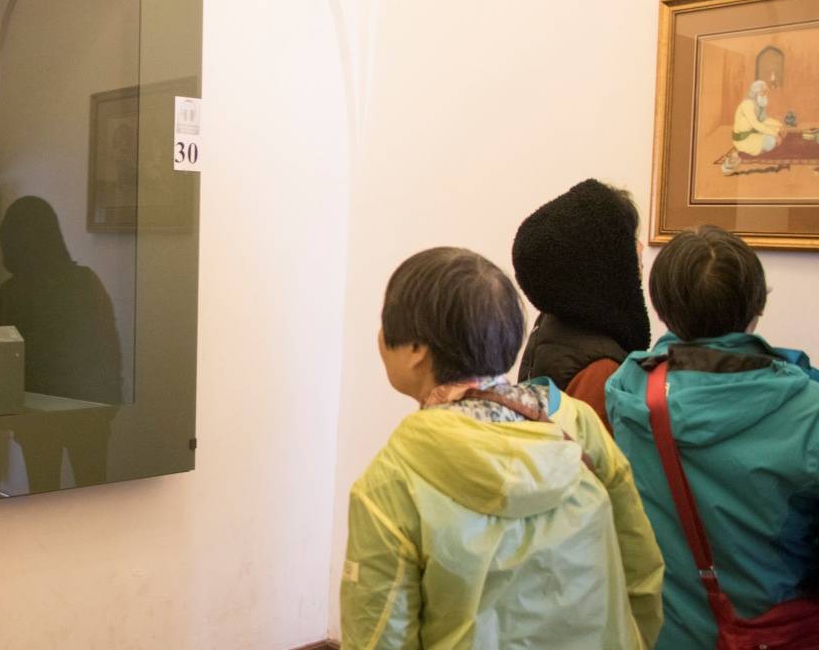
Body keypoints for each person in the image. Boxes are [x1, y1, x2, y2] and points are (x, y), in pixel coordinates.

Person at [340, 247, 663, 650]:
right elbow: (642, 574)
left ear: (417, 349)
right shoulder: (578, 426)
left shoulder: (390, 483)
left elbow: (378, 635)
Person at [606, 225, 819, 650]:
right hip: (774, 633)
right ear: (758, 304)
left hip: (661, 635)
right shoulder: (808, 411)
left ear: (660, 308)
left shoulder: (627, 390)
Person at [0, 196, 122, 490]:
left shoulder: (11, 293)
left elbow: (6, 361)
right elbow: (109, 345)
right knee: (94, 492)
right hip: (87, 405)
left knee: (43, 493)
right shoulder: (85, 281)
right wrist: (110, 401)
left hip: (36, 411)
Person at [512, 179, 649, 428]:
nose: (638, 256)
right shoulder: (601, 369)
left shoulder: (554, 320)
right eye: (629, 244)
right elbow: (596, 452)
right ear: (604, 259)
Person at [733, 79, 784, 156]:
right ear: (756, 92)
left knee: (777, 128)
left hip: (753, 132)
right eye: (763, 92)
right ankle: (752, 152)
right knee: (771, 141)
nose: (765, 95)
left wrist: (780, 125)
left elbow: (764, 120)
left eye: (765, 92)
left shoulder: (759, 104)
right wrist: (775, 135)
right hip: (743, 139)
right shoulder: (747, 104)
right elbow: (756, 124)